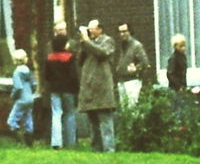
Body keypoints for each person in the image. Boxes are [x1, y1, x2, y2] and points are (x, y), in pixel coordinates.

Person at [74, 19, 118, 152]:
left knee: (105, 120)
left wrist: (87, 41)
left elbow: (101, 53)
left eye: (91, 29)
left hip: (102, 88)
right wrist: (83, 44)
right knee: (93, 122)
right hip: (90, 87)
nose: (89, 31)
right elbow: (80, 61)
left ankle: (109, 149)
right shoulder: (88, 44)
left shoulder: (108, 41)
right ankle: (96, 149)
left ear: (100, 29)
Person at [43, 32, 79, 148]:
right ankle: (71, 141)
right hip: (68, 89)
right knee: (70, 113)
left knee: (56, 113)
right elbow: (73, 75)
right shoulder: (70, 57)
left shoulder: (49, 58)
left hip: (55, 89)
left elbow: (47, 76)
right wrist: (76, 88)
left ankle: (56, 142)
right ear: (64, 44)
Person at [114, 22, 154, 105]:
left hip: (132, 81)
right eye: (120, 32)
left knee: (132, 107)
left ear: (130, 31)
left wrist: (136, 68)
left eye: (124, 31)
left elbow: (145, 62)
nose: (122, 34)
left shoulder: (136, 46)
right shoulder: (121, 46)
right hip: (121, 81)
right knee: (124, 108)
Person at [7, 48, 36, 145]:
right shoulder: (28, 71)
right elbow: (33, 84)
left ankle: (19, 140)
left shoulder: (17, 73)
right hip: (30, 98)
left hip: (21, 99)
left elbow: (18, 87)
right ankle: (30, 141)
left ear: (15, 60)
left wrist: (13, 96)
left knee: (11, 121)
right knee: (28, 118)